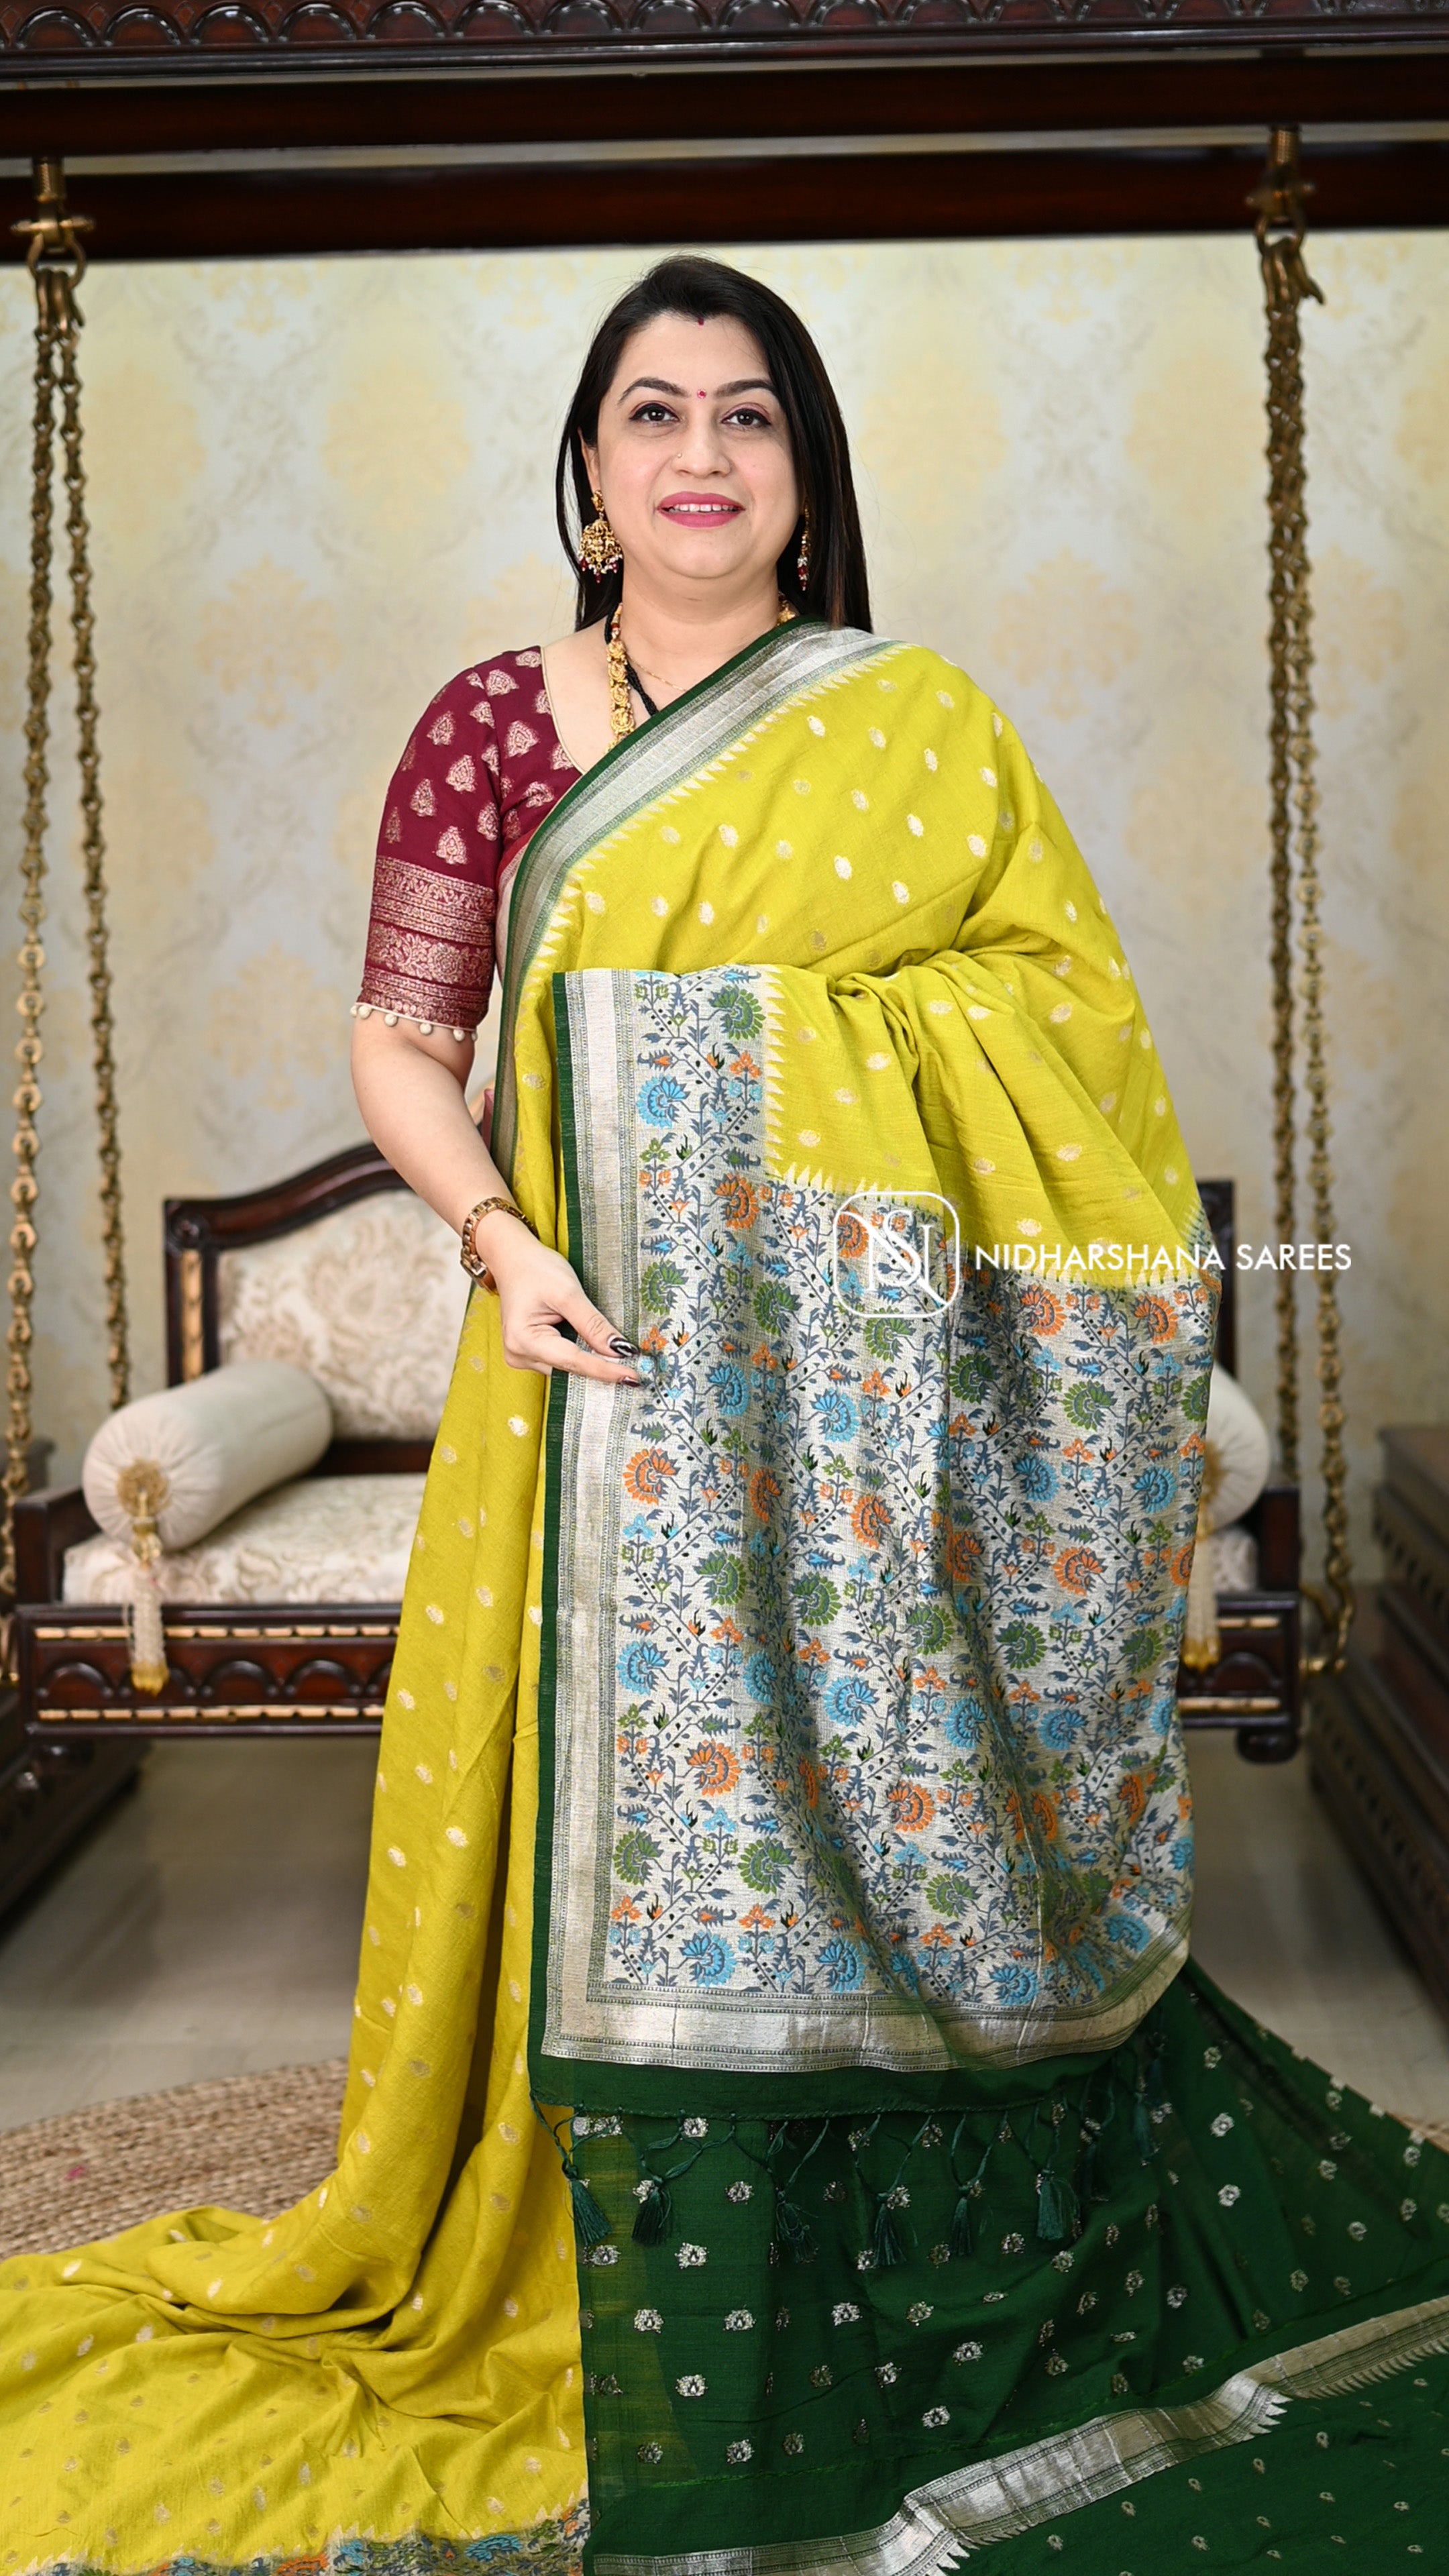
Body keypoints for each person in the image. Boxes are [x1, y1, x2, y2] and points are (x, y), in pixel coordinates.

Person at [1, 254, 1446, 2576]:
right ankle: (584, 2243)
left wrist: (768, 1085)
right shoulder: (491, 724)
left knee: (879, 1793)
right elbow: (403, 1038)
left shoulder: (917, 725)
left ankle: (899, 2241)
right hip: (584, 1388)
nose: (701, 452)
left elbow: (1058, 1022)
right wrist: (501, 1233)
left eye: (750, 412)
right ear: (588, 471)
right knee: (567, 1829)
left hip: (863, 1407)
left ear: (805, 471)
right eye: (654, 411)